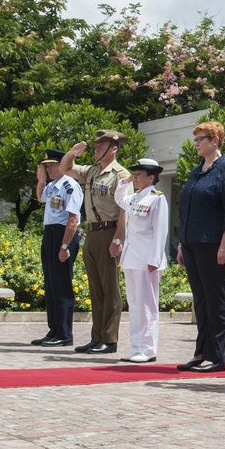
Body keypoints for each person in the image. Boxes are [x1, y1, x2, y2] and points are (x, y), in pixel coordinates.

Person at [176, 121, 225, 373]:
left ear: (215, 140)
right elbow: (186, 208)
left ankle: (217, 356)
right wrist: (182, 243)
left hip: (215, 243)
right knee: (201, 299)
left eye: (200, 139)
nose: (197, 144)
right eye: (195, 139)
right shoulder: (197, 171)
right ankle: (201, 351)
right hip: (193, 242)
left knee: (215, 299)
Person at [61, 129, 131, 355]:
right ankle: (97, 337)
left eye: (101, 147)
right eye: (95, 146)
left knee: (110, 288)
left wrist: (118, 239)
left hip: (109, 232)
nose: (96, 150)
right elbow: (65, 168)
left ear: (114, 149)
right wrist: (72, 153)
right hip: (91, 233)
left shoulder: (120, 175)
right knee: (96, 288)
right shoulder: (91, 171)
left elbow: (124, 210)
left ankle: (109, 339)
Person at [113, 158, 168, 363]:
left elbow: (160, 230)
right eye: (134, 174)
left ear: (151, 177)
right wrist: (126, 180)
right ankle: (136, 347)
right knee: (134, 304)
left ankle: (148, 349)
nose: (135, 178)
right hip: (131, 258)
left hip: (147, 260)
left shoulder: (156, 198)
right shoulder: (134, 198)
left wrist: (155, 258)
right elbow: (119, 198)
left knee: (147, 305)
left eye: (138, 174)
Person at [32, 149, 83, 347]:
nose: (49, 168)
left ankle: (64, 333)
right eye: (47, 166)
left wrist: (64, 245)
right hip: (49, 234)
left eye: (52, 165)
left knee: (61, 285)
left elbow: (73, 218)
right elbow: (41, 198)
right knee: (51, 284)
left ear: (63, 164)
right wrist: (41, 180)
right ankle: (53, 329)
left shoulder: (70, 185)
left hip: (63, 234)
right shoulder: (53, 185)